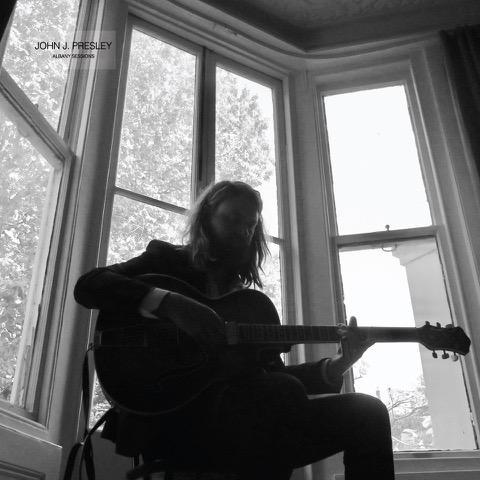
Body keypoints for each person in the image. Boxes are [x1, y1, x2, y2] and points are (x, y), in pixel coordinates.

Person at [74, 180, 394, 480]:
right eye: (233, 219)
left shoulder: (248, 303)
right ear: (207, 217)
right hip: (174, 418)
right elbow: (89, 285)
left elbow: (270, 375)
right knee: (279, 394)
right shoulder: (166, 261)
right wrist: (168, 303)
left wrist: (337, 365)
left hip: (250, 421)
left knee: (367, 412)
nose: (243, 231)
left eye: (250, 225)